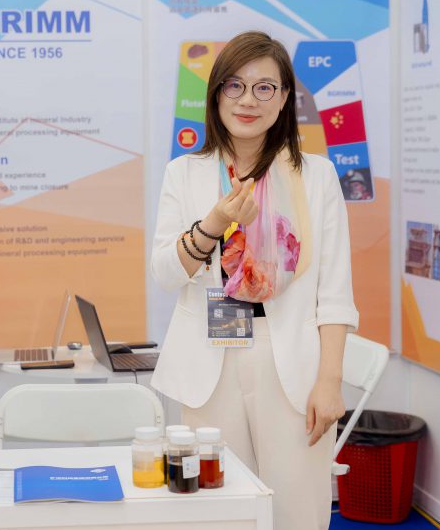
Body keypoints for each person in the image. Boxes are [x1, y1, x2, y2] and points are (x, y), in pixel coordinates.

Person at [150, 31, 358, 530]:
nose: (248, 100)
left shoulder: (316, 176)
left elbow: (334, 293)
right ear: (216, 93)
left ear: (284, 98)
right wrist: (215, 222)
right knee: (218, 512)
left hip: (290, 363)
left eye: (265, 88)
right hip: (209, 359)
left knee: (296, 511)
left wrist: (330, 382)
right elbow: (165, 273)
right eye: (235, 86)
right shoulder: (185, 173)